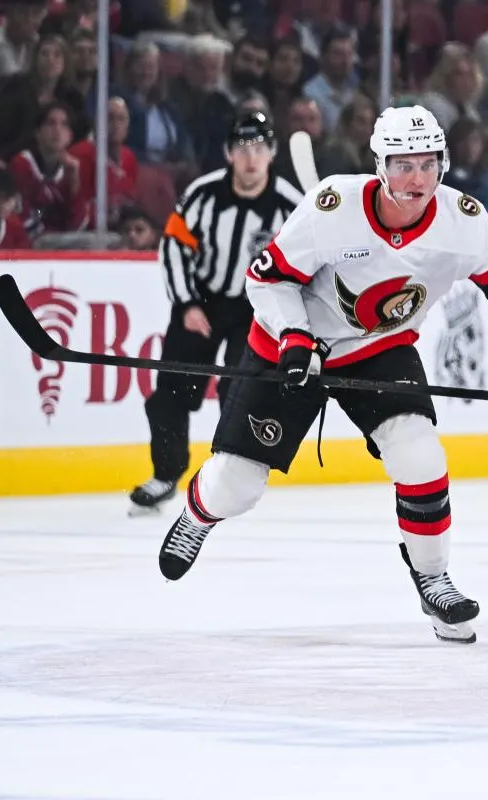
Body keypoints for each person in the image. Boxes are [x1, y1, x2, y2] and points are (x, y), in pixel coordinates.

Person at [155, 106, 488, 646]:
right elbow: (267, 280)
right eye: (402, 165)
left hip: (379, 347)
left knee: (420, 453)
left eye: (427, 164)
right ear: (379, 166)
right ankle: (198, 514)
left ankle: (433, 578)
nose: (416, 179)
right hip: (295, 345)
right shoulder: (332, 209)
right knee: (237, 486)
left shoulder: (462, 222)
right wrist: (296, 337)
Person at [129, 111, 305, 514]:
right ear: (228, 153)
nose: (250, 158)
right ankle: (165, 474)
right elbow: (174, 246)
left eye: (259, 148)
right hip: (203, 301)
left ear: (272, 153)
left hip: (256, 307)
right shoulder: (203, 194)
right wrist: (187, 303)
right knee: (172, 389)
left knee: (242, 391)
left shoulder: (290, 206)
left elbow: (305, 262)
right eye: (242, 148)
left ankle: (229, 478)